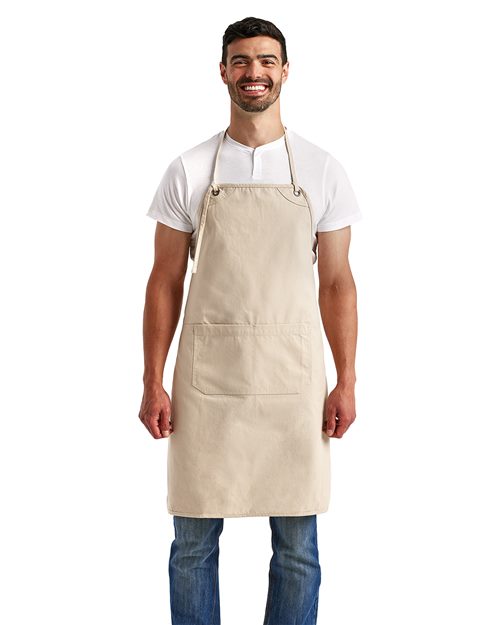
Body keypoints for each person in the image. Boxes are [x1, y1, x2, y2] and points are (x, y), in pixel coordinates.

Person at [139, 16, 362, 625]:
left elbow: (337, 282)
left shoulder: (320, 169)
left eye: (266, 60)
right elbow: (164, 280)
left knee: (297, 550)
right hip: (207, 381)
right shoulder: (189, 169)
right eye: (240, 61)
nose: (253, 72)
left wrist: (346, 379)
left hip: (293, 382)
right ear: (223, 72)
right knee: (192, 543)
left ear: (285, 71)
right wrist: (152, 380)